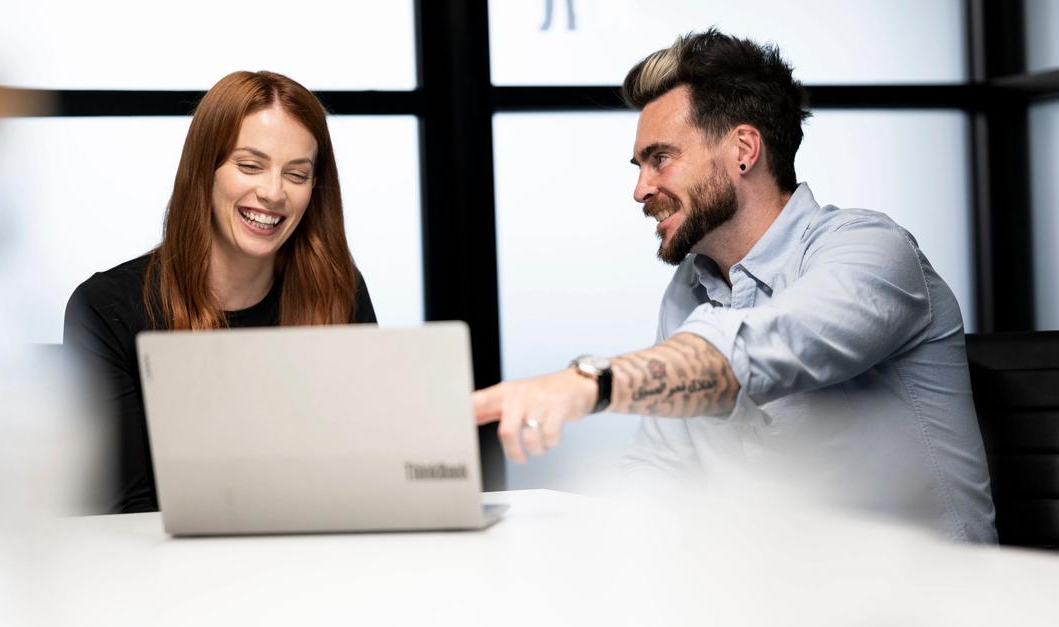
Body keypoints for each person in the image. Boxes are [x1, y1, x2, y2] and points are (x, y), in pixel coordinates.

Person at [473, 30, 997, 542]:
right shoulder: (688, 291)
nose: (640, 190)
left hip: (930, 609)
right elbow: (662, 466)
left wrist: (591, 382)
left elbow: (759, 349)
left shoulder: (870, 251)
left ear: (743, 149)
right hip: (776, 606)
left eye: (661, 158)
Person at [64, 71, 376, 513]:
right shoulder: (106, 308)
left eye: (297, 174)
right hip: (169, 574)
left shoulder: (337, 288)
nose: (273, 193)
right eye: (249, 166)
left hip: (313, 563)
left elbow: (367, 472)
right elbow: (123, 515)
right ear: (203, 170)